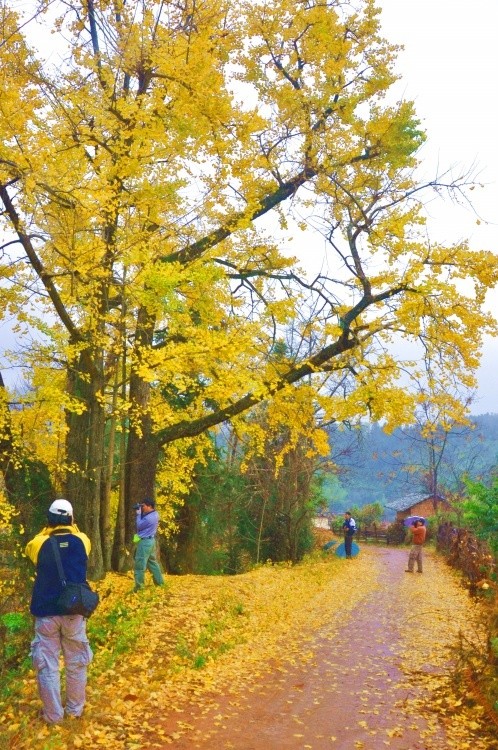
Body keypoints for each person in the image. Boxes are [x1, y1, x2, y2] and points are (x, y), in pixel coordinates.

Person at [25, 499, 93, 724]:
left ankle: (54, 717)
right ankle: (75, 711)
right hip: (74, 611)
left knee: (47, 664)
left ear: (50, 520)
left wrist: (50, 529)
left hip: (46, 613)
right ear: (71, 519)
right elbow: (77, 535)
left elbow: (31, 548)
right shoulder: (82, 541)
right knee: (76, 662)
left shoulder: (39, 543)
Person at [133, 497, 164, 591]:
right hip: (151, 541)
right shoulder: (155, 514)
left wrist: (138, 514)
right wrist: (141, 512)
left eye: (144, 506)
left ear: (149, 506)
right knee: (152, 563)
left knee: (139, 564)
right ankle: (160, 583)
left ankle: (139, 588)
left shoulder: (149, 518)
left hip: (145, 542)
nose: (142, 508)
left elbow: (139, 525)